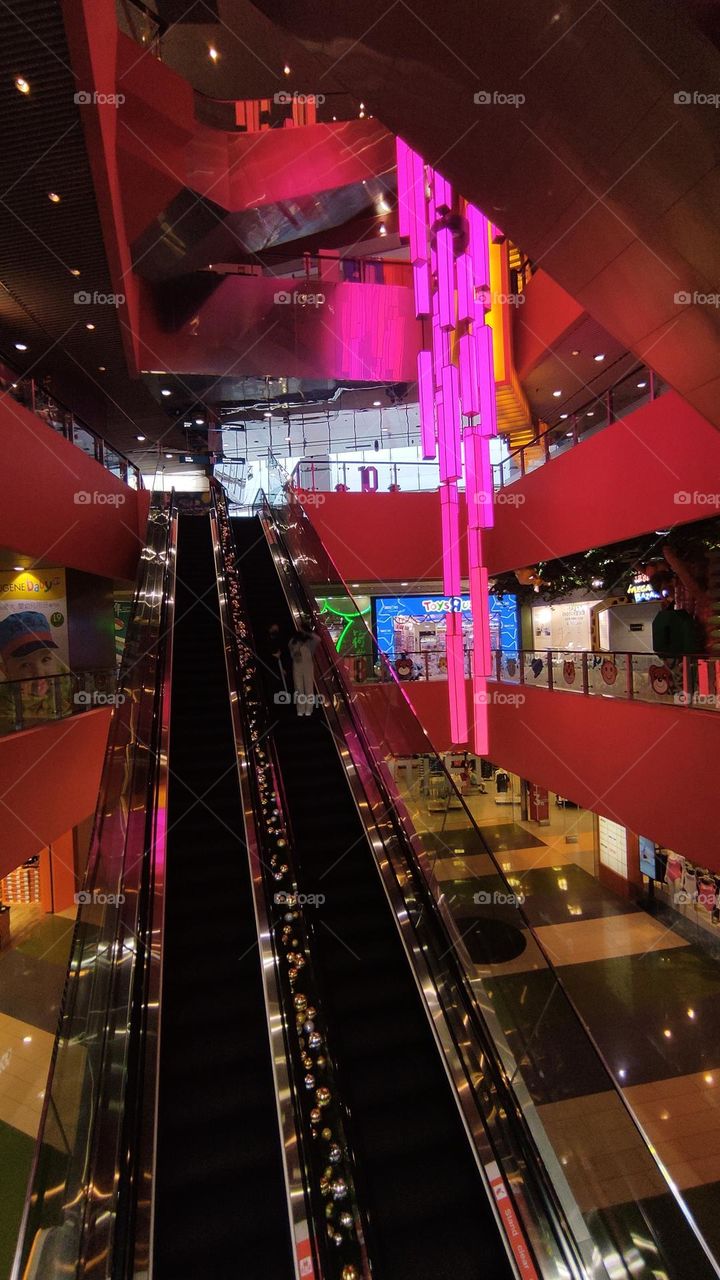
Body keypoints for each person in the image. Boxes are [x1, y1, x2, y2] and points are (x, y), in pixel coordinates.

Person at [0, 611, 70, 726]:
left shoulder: (67, 689)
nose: (40, 673)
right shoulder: (5, 714)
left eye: (45, 659)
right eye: (25, 665)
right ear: (5, 670)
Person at [288, 627, 320, 716]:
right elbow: (291, 651)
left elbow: (318, 639)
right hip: (297, 666)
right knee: (298, 688)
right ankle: (300, 710)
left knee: (309, 688)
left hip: (308, 666)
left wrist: (308, 632)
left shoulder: (310, 642)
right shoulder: (293, 641)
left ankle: (308, 710)